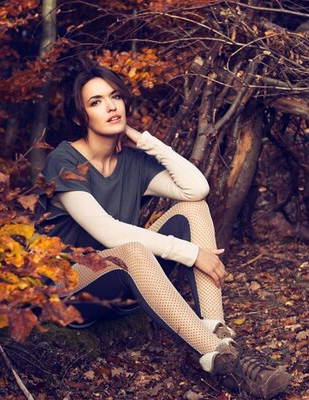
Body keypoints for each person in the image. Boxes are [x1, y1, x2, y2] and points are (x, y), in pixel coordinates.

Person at [37, 62, 291, 399]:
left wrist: (146, 141)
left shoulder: (131, 160)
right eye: (96, 102)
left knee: (193, 210)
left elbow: (196, 190)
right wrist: (190, 253)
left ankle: (216, 334)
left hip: (123, 280)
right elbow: (107, 232)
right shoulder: (63, 160)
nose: (111, 106)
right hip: (69, 288)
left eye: (115, 96)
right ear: (79, 117)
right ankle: (228, 363)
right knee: (131, 248)